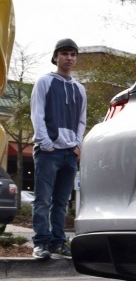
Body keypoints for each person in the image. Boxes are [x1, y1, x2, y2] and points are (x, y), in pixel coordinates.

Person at [29, 38, 86, 260]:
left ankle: (58, 242)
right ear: (55, 57)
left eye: (72, 54)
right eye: (64, 54)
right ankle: (41, 243)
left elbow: (82, 120)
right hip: (48, 152)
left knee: (61, 202)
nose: (69, 58)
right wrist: (45, 143)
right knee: (43, 199)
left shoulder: (79, 89)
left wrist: (78, 145)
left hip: (69, 153)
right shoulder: (44, 81)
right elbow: (37, 113)